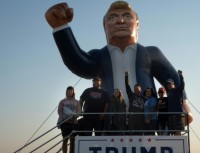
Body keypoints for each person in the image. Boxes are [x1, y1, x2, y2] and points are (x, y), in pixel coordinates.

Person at [45, 1, 180, 103]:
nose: (121, 21)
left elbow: (173, 79)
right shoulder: (99, 56)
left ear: (137, 24)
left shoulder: (151, 53)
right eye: (113, 18)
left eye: (127, 17)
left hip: (145, 117)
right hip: (109, 117)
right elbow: (78, 63)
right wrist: (60, 28)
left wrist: (182, 104)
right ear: (104, 26)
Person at [57, 86, 81, 153]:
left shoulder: (77, 102)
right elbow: (59, 112)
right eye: (68, 91)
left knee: (73, 140)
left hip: (74, 122)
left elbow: (79, 112)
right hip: (64, 122)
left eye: (71, 91)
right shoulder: (62, 101)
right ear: (66, 92)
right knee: (65, 140)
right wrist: (65, 118)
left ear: (73, 92)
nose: (70, 92)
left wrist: (73, 117)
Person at [165, 70, 185, 136]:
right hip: (171, 115)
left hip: (177, 114)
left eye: (169, 84)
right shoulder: (169, 93)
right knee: (173, 132)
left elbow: (182, 85)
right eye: (167, 84)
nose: (168, 85)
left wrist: (181, 76)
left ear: (173, 84)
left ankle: (179, 145)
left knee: (177, 131)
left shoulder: (177, 90)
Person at [125, 71, 145, 135]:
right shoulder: (131, 95)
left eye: (137, 88)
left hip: (141, 119)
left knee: (140, 135)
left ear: (140, 89)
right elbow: (127, 86)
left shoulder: (144, 98)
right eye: (135, 88)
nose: (136, 89)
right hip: (132, 118)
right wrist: (126, 77)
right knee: (131, 135)